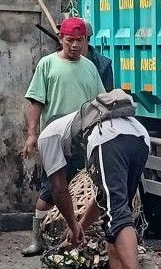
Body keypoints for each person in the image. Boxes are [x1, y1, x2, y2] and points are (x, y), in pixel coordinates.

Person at [21, 17, 106, 257]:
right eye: (70, 40)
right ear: (61, 39)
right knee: (51, 191)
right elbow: (36, 102)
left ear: (86, 41)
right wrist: (31, 135)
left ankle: (84, 237)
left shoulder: (89, 67)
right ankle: (36, 240)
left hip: (84, 138)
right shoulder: (47, 65)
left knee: (89, 189)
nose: (75, 45)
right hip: (55, 139)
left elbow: (100, 102)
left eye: (80, 41)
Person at [37, 90, 150, 269]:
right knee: (115, 214)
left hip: (109, 137)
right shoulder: (77, 127)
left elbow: (58, 190)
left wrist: (73, 227)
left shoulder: (46, 137)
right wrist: (81, 225)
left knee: (117, 217)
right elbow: (102, 200)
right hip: (140, 136)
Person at [82, 20, 114, 92]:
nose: (74, 44)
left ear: (86, 38)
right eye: (69, 39)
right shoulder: (58, 62)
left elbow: (107, 97)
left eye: (78, 39)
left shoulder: (103, 65)